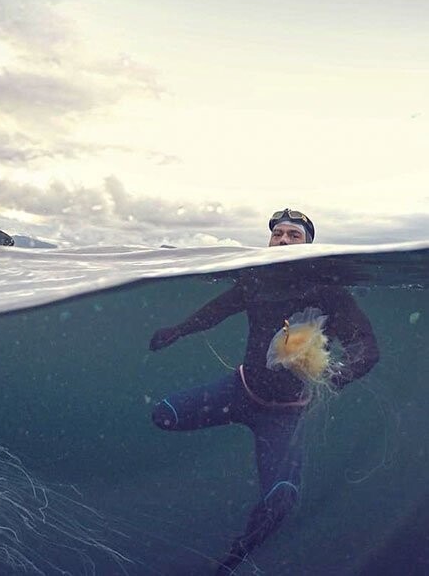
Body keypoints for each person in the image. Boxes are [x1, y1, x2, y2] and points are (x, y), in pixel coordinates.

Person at [149, 208, 379, 574]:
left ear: (309, 245)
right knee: (162, 415)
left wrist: (339, 375)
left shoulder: (328, 291)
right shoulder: (256, 280)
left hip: (284, 415)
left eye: (294, 235)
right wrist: (178, 330)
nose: (284, 240)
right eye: (278, 234)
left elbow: (367, 347)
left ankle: (232, 560)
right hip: (237, 391)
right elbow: (217, 310)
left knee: (282, 499)